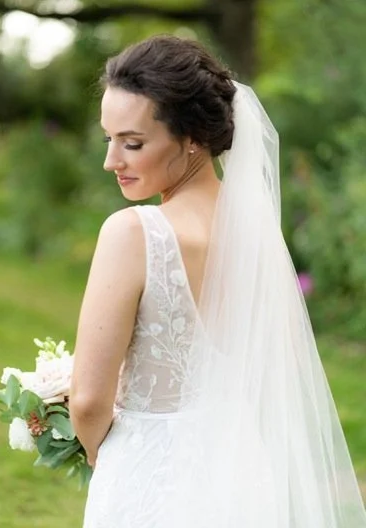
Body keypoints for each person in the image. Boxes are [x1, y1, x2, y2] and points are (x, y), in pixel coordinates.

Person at [69, 36, 366, 527]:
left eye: (132, 143)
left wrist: (102, 452)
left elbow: (88, 400)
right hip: (244, 474)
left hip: (150, 476)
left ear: (192, 138)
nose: (111, 161)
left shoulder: (132, 233)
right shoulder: (259, 234)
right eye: (110, 139)